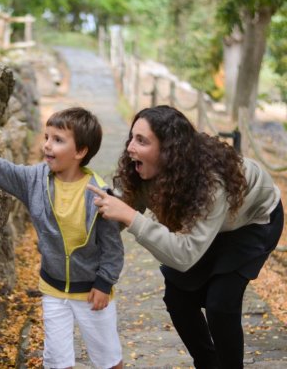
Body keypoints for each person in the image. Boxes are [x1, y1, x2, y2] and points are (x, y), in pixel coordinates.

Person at [87, 105, 284, 369]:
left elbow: (183, 255)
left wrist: (132, 219)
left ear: (168, 151)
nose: (130, 147)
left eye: (142, 140)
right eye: (131, 137)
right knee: (178, 297)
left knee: (221, 303)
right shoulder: (143, 171)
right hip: (208, 225)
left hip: (253, 222)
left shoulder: (212, 182)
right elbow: (121, 209)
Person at [0, 107, 124, 369]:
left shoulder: (98, 195)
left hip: (92, 292)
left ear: (80, 152)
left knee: (107, 358)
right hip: (53, 289)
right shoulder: (36, 180)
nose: (47, 146)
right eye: (47, 137)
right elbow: (6, 172)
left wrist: (104, 283)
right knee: (56, 360)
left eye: (58, 140)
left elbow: (113, 249)